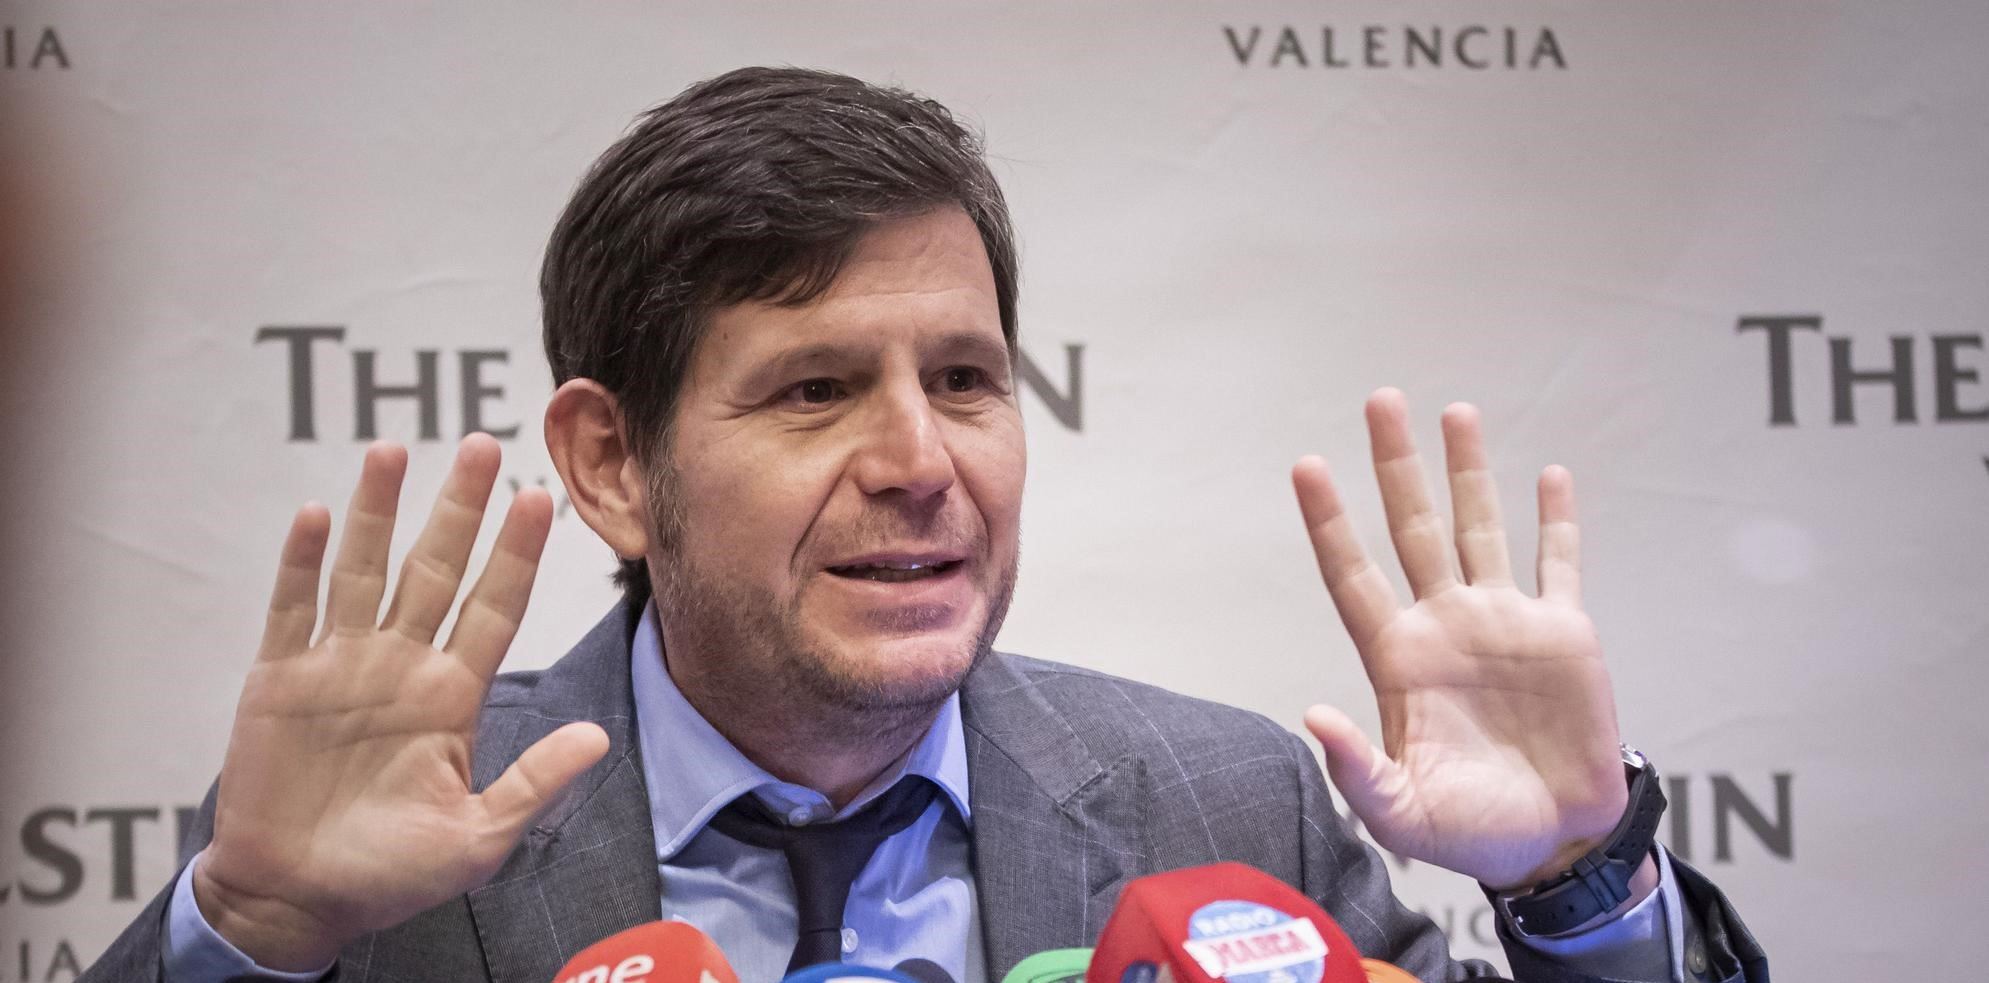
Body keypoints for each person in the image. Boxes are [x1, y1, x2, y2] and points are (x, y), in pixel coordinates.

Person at [82, 67, 1765, 983]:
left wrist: (1578, 881)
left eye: (963, 379)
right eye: (814, 390)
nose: (918, 461)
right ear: (610, 465)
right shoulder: (378, 851)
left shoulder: (1230, 809)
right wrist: (256, 938)